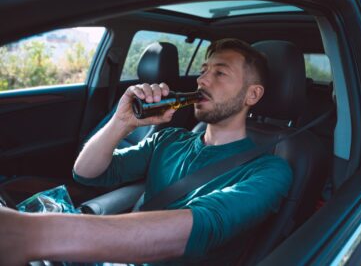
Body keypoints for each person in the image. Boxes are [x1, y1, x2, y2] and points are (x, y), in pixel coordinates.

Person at [0, 38, 292, 265]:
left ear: (252, 94)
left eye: (220, 72)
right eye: (203, 70)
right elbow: (86, 173)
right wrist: (121, 123)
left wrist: (35, 233)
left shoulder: (269, 170)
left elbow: (203, 226)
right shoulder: (169, 140)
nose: (202, 80)